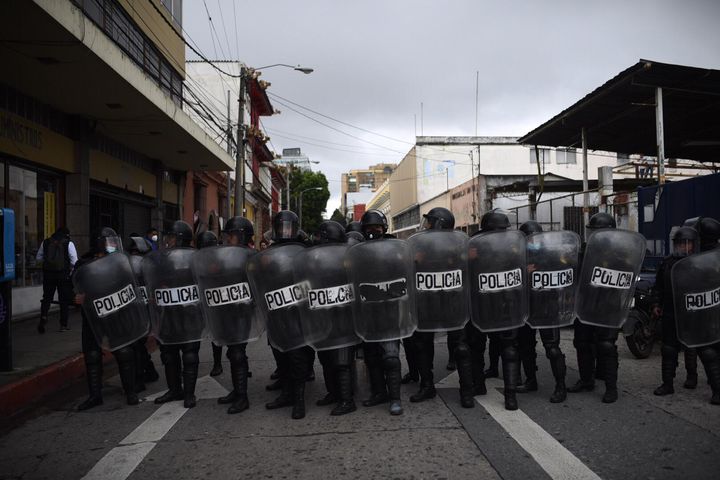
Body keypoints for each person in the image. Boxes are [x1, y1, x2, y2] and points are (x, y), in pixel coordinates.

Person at [74, 228, 139, 410]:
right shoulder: (83, 265)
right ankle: (95, 396)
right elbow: (72, 288)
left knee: (124, 352)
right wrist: (75, 298)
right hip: (92, 318)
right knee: (92, 356)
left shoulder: (118, 264)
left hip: (115, 315)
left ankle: (131, 392)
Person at [262, 211, 315, 419]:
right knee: (280, 352)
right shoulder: (269, 251)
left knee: (298, 355)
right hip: (277, 310)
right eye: (281, 226)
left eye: (288, 226)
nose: (285, 231)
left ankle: (299, 400)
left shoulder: (305, 249)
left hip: (299, 309)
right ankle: (286, 393)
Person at [468, 210, 522, 410]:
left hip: (497, 303)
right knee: (487, 347)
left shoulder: (514, 245)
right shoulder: (512, 244)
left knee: (497, 348)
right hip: (491, 303)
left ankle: (507, 394)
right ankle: (506, 394)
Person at [567, 212, 622, 403]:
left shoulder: (620, 252)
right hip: (585, 304)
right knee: (582, 342)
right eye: (593, 232)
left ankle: (611, 387)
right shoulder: (582, 251)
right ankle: (586, 380)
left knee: (606, 345)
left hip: (608, 306)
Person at [516, 220, 569, 403]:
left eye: (534, 239)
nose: (532, 242)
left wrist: (541, 268)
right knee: (525, 347)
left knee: (552, 349)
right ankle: (531, 380)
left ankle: (561, 387)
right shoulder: (518, 256)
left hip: (547, 306)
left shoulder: (552, 255)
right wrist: (524, 271)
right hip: (526, 306)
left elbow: (566, 272)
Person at [208, 218, 256, 414]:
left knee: (237, 353)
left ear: (242, 235)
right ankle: (237, 391)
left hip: (242, 312)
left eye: (232, 235)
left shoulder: (251, 258)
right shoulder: (225, 256)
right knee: (231, 352)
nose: (228, 238)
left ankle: (242, 396)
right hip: (226, 310)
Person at [152, 221, 203, 409]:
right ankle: (174, 390)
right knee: (168, 354)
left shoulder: (197, 258)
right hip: (168, 314)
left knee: (189, 355)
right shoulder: (161, 258)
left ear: (181, 238)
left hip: (190, 314)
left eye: (172, 237)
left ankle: (189, 394)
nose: (168, 241)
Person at [359, 209, 404, 415]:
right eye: (368, 228)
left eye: (376, 227)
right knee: (371, 356)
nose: (372, 231)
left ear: (384, 228)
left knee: (390, 356)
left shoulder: (395, 248)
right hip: (368, 310)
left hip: (389, 309)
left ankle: (395, 398)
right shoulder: (358, 251)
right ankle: (379, 393)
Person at [313, 221, 358, 416]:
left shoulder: (349, 258)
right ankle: (333, 393)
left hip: (343, 318)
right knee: (325, 358)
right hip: (323, 316)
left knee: (342, 360)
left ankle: (347, 401)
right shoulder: (315, 259)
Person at [37, 227, 77, 333]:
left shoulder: (45, 242)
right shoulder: (69, 243)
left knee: (47, 298)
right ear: (66, 235)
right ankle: (63, 325)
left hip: (48, 275)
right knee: (63, 300)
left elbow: (39, 258)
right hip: (63, 275)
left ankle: (43, 318)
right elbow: (74, 261)